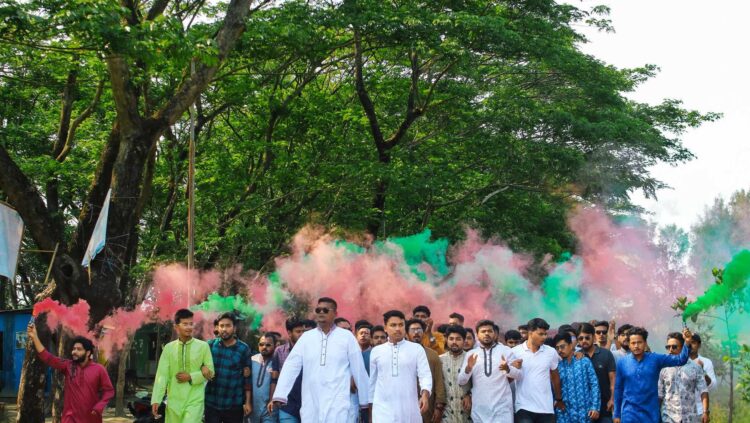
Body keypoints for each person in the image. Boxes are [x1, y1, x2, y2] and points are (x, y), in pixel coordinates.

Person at [272, 297, 370, 421]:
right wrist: (280, 394)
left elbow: (359, 369)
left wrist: (366, 400)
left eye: (325, 310)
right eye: (318, 310)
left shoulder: (347, 337)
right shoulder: (306, 337)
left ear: (335, 313)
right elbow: (291, 365)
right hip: (311, 400)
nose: (321, 312)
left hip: (337, 401)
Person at [27, 324, 114, 422]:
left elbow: (109, 391)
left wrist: (99, 406)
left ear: (88, 353)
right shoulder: (68, 366)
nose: (74, 352)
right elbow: (47, 357)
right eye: (74, 349)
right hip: (69, 418)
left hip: (91, 418)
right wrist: (34, 336)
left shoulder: (99, 369)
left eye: (79, 349)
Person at [613, 326, 693, 423]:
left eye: (639, 342)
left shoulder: (655, 359)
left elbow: (680, 360)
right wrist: (616, 414)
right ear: (629, 344)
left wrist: (687, 342)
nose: (636, 346)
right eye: (633, 343)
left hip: (651, 415)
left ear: (645, 343)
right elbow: (618, 389)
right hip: (629, 414)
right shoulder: (622, 362)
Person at [369, 310, 432, 423]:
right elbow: (373, 382)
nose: (398, 328)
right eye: (393, 325)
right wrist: (370, 409)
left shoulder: (416, 349)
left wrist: (425, 395)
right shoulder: (376, 351)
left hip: (409, 409)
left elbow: (425, 375)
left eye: (401, 325)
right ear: (385, 327)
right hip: (382, 410)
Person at [152, 309, 214, 422]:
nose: (189, 327)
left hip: (195, 400)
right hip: (174, 401)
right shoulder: (168, 348)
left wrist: (191, 376)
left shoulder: (203, 346)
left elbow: (211, 372)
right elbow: (162, 375)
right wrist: (156, 399)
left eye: (191, 324)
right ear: (176, 326)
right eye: (185, 324)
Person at [458, 320, 519, 422]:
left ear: (494, 334)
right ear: (477, 335)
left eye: (489, 331)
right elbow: (461, 381)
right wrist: (468, 368)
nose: (486, 333)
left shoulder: (506, 351)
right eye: (483, 331)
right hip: (480, 409)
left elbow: (519, 375)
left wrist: (508, 369)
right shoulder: (471, 354)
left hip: (502, 408)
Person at [511, 317, 563, 423]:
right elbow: (509, 377)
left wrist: (558, 398)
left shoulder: (551, 352)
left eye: (545, 334)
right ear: (530, 333)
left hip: (546, 408)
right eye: (540, 334)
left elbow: (555, 376)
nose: (544, 337)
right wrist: (512, 368)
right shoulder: (514, 352)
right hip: (523, 407)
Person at [204, 312, 253, 423]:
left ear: (234, 328)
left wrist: (248, 402)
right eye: (221, 326)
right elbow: (199, 366)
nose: (224, 329)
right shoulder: (209, 346)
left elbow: (248, 379)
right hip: (211, 402)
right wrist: (203, 367)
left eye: (228, 326)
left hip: (233, 404)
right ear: (217, 327)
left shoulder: (243, 349)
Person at [658, 332, 709, 423]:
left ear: (683, 347)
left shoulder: (695, 367)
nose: (670, 350)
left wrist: (705, 412)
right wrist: (656, 415)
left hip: (690, 417)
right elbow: (660, 395)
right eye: (668, 347)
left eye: (674, 347)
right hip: (668, 418)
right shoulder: (663, 368)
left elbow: (703, 391)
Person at [406, 318, 447, 423]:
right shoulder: (400, 354)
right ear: (406, 333)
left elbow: (439, 381)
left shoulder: (432, 354)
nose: (416, 333)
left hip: (428, 406)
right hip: (405, 405)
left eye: (419, 330)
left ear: (423, 333)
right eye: (413, 330)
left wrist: (439, 407)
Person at [553, 333, 600, 423]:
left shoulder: (584, 361)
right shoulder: (556, 366)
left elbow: (594, 384)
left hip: (585, 413)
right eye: (557, 348)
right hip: (564, 414)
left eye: (562, 347)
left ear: (571, 345)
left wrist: (595, 407)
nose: (560, 350)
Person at [268, 319, 308, 423]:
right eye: (298, 331)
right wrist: (273, 398)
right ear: (289, 333)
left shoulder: (312, 350)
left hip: (308, 404)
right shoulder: (280, 351)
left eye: (304, 331)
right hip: (287, 405)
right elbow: (274, 377)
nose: (302, 334)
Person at [577, 323, 616, 423]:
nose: (584, 341)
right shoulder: (576, 357)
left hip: (605, 408)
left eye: (587, 337)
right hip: (584, 410)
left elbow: (613, 380)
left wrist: (612, 399)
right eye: (581, 338)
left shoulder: (606, 354)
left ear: (593, 337)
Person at [440, 326, 472, 423]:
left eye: (458, 339)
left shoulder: (471, 358)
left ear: (464, 340)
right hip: (446, 414)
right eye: (451, 339)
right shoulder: (440, 360)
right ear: (446, 340)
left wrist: (470, 395)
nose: (454, 342)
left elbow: (480, 383)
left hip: (467, 413)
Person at [251, 334, 279, 423]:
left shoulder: (278, 363)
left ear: (275, 346)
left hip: (270, 410)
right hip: (253, 410)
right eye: (261, 344)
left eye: (268, 345)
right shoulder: (252, 360)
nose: (264, 347)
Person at [688, 333, 716, 417]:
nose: (690, 345)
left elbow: (713, 386)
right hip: (680, 411)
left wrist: (702, 371)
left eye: (693, 342)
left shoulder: (706, 362)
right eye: (688, 343)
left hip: (699, 409)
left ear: (699, 345)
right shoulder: (679, 361)